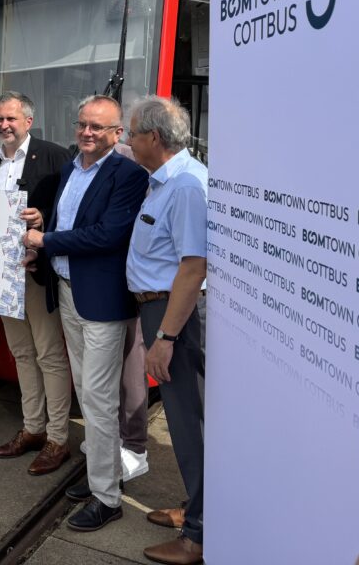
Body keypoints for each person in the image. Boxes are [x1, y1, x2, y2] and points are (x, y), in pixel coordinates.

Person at [24, 95, 148, 532]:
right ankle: (102, 474)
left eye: (98, 127)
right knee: (86, 390)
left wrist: (47, 242)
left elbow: (109, 235)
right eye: (82, 125)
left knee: (97, 398)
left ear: (118, 134)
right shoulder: (69, 168)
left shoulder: (128, 174)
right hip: (68, 292)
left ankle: (107, 497)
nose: (88, 133)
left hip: (101, 302)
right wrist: (44, 227)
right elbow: (65, 221)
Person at [125, 96, 207, 565]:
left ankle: (198, 536)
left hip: (175, 319)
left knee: (188, 423)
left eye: (133, 133)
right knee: (183, 422)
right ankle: (194, 507)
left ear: (153, 138)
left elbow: (193, 269)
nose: (128, 140)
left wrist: (166, 339)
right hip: (162, 312)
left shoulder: (186, 186)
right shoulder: (163, 181)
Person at [0, 92, 73, 475]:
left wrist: (44, 218)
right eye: (0, 119)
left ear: (28, 122)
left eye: (12, 119)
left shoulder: (54, 157)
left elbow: (72, 210)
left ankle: (58, 438)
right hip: (0, 274)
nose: (5, 125)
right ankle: (32, 428)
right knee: (21, 353)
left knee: (49, 354)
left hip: (35, 272)